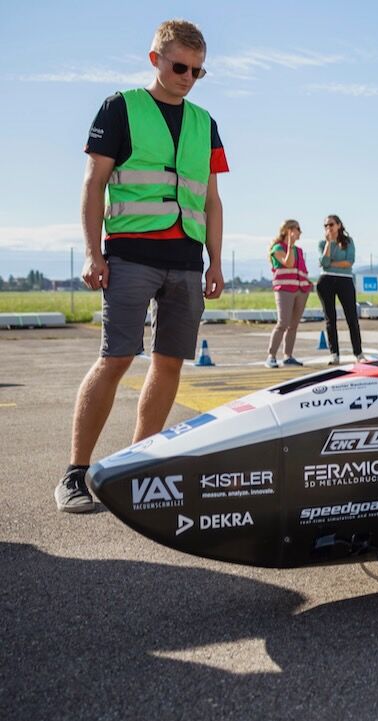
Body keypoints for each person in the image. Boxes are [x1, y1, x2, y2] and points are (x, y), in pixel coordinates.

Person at [57, 19, 227, 513]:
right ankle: (75, 473)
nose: (188, 78)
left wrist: (216, 261)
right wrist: (93, 252)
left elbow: (212, 200)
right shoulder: (120, 108)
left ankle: (136, 466)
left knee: (169, 362)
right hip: (130, 255)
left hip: (186, 261)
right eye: (180, 67)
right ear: (155, 60)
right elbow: (94, 184)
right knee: (115, 359)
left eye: (197, 71)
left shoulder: (205, 123)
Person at [317, 214, 364, 365]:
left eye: (331, 224)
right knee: (330, 319)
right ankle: (334, 354)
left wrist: (331, 264)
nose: (328, 228)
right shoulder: (322, 243)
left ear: (338, 225)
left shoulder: (348, 242)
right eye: (326, 226)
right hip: (326, 280)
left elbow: (349, 262)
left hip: (345, 280)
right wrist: (328, 244)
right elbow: (324, 262)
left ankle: (358, 353)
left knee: (351, 317)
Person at [266, 219, 312, 368]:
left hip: (301, 290)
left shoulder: (299, 251)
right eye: (298, 229)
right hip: (284, 290)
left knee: (293, 325)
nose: (300, 232)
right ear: (288, 230)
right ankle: (271, 356)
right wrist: (290, 245)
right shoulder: (278, 248)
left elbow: (301, 269)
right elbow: (289, 263)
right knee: (283, 323)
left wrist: (307, 286)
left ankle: (288, 356)